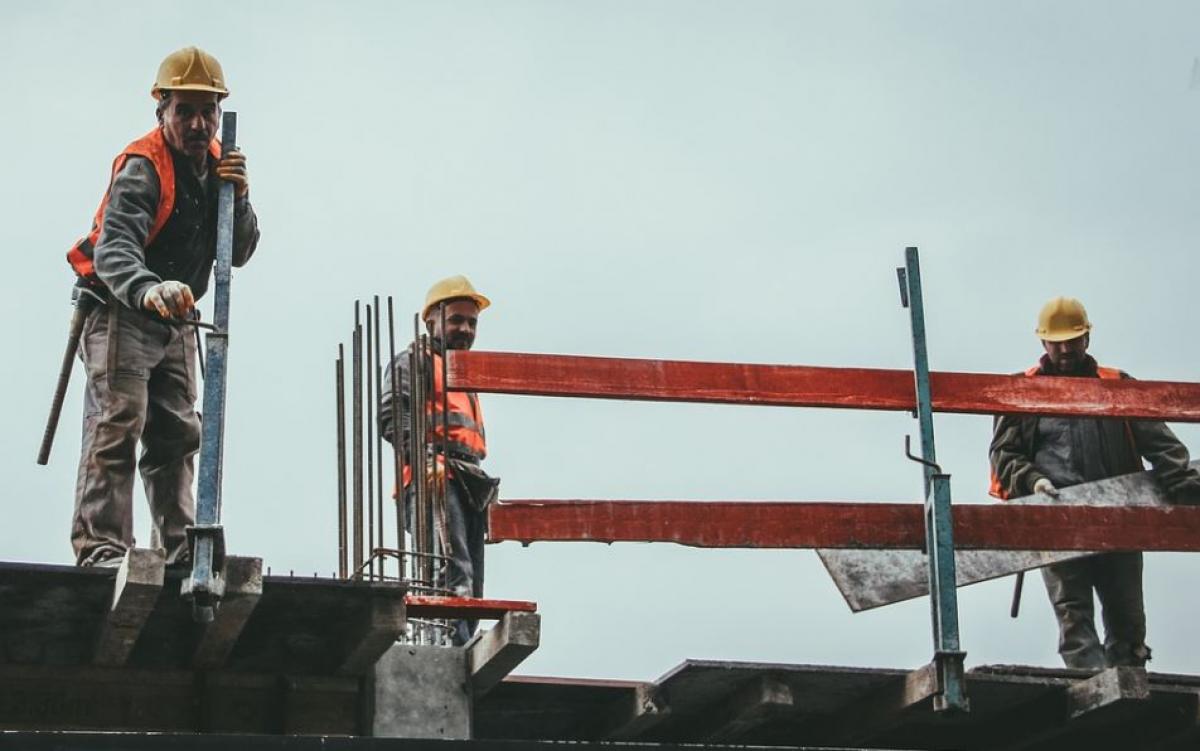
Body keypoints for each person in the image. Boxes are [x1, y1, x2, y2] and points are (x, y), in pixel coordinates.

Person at [67, 46, 261, 568]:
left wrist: (237, 197)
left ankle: (181, 552)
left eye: (208, 111)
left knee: (176, 433)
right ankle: (102, 548)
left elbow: (238, 250)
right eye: (185, 110)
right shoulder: (143, 166)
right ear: (163, 111)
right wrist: (147, 287)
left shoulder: (219, 166)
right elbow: (115, 248)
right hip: (121, 309)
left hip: (175, 318)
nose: (198, 123)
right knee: (118, 421)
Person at [989, 296, 1200, 669]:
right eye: (1058, 342)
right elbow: (1004, 455)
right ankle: (1091, 685)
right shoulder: (1022, 389)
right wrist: (1033, 481)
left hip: (1120, 515)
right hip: (1056, 515)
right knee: (1074, 613)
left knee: (1127, 613)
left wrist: (1186, 488)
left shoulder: (1116, 384)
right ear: (1043, 343)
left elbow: (1160, 444)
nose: (1066, 349)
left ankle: (1129, 679)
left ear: (1087, 338)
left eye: (1073, 340)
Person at [381, 275, 500, 645]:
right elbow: (392, 417)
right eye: (456, 320)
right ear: (431, 319)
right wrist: (423, 460)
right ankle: (448, 640)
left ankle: (461, 637)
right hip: (435, 474)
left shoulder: (463, 372)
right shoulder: (414, 361)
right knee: (448, 566)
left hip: (469, 477)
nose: (465, 329)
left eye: (471, 323)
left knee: (471, 576)